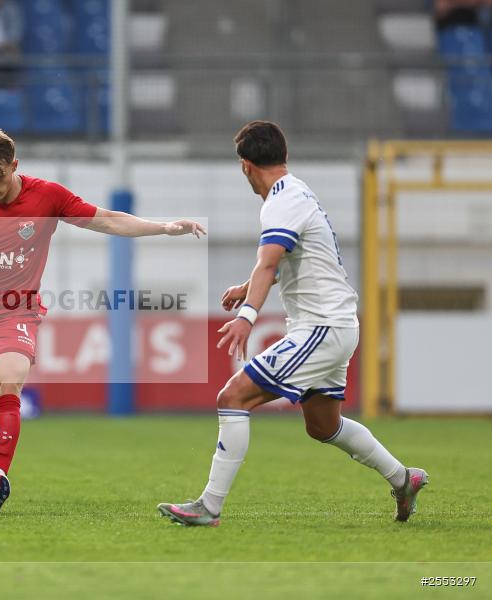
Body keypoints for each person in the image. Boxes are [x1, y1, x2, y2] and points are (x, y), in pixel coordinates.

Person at [0, 127, 206, 515]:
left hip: (16, 310)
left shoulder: (47, 196)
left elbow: (108, 220)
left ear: (14, 166)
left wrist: (163, 227)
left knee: (7, 386)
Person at [157, 121, 428, 527]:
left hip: (320, 327)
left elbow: (270, 261)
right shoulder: (297, 193)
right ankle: (404, 478)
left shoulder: (281, 202)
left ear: (246, 166)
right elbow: (290, 260)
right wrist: (247, 287)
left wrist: (247, 315)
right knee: (323, 426)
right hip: (336, 325)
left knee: (233, 398)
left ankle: (208, 506)